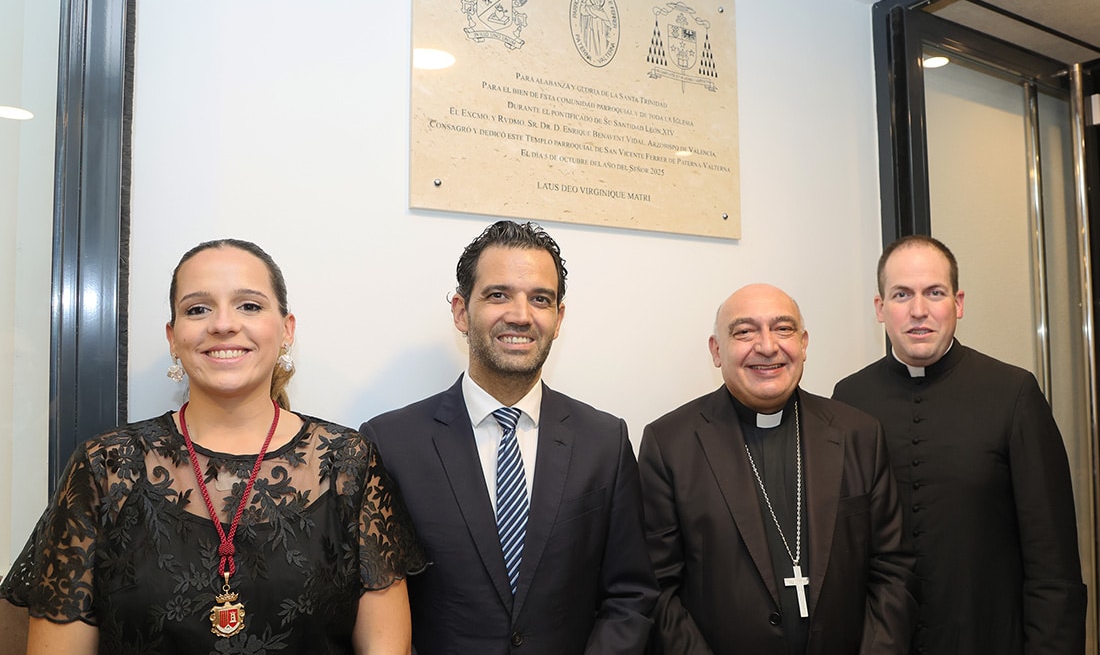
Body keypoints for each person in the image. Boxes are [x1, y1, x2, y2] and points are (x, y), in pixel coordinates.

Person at [0, 238, 427, 655]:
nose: (223, 324)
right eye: (198, 308)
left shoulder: (349, 464)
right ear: (173, 336)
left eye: (250, 305)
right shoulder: (105, 467)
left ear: (286, 330)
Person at [361, 220, 657, 654]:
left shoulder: (604, 441)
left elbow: (631, 595)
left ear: (558, 319)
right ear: (461, 311)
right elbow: (378, 610)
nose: (521, 315)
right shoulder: (390, 444)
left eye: (540, 299)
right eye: (498, 295)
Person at [832, 235, 1086, 654]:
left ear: (958, 303)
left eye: (935, 292)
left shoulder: (1013, 393)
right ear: (880, 308)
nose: (919, 311)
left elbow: (1053, 562)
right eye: (901, 295)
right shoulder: (849, 399)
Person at [639, 283, 917, 654]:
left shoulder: (859, 434)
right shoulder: (670, 444)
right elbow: (657, 590)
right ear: (717, 351)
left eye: (783, 329)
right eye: (744, 332)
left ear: (803, 343)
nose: (768, 346)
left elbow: (894, 572)